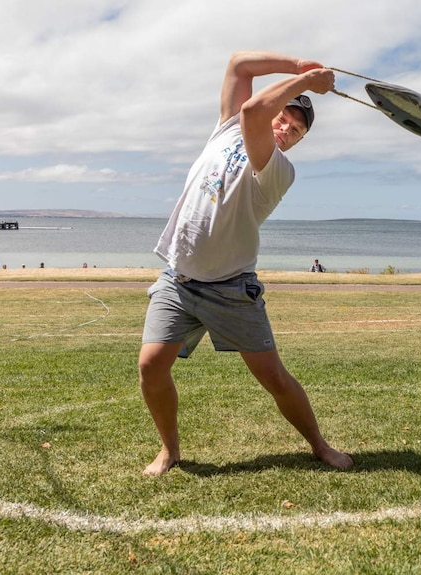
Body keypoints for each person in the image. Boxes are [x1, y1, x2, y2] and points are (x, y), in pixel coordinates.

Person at [138, 50, 352, 476]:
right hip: (178, 280)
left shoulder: (278, 170)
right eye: (285, 119)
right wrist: (299, 67)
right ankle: (170, 450)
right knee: (150, 366)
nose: (285, 128)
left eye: (296, 129)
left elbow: (256, 110)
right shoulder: (227, 131)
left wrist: (305, 85)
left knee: (274, 377)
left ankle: (320, 446)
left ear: (298, 142)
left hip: (231, 289)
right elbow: (238, 64)